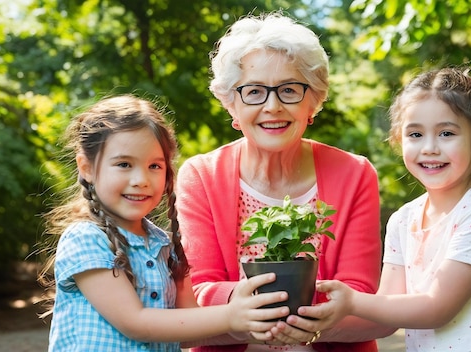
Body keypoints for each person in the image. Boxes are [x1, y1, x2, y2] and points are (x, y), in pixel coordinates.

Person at [175, 11, 394, 352]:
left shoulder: (355, 173)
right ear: (231, 103)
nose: (273, 106)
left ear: (313, 100)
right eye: (254, 91)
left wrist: (306, 324)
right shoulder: (201, 175)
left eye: (289, 90)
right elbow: (197, 292)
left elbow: (361, 297)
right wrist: (249, 308)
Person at [303, 67, 471, 351]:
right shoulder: (403, 221)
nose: (429, 148)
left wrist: (353, 301)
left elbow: (437, 307)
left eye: (446, 133)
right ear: (398, 140)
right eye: (415, 134)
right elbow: (386, 312)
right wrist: (314, 323)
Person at [38, 95, 290, 352]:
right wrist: (230, 315)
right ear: (87, 167)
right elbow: (135, 322)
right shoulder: (86, 238)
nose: (141, 179)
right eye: (124, 164)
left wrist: (254, 320)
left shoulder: (166, 246)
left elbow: (190, 328)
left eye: (154, 166)